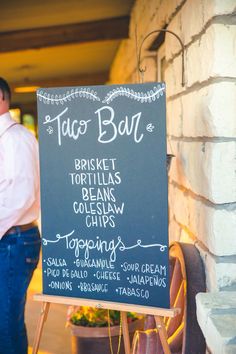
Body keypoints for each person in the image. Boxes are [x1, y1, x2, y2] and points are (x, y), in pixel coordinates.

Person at [0, 77, 41, 354]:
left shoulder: (16, 138)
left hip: (14, 241)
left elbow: (22, 193)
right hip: (9, 238)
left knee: (5, 324)